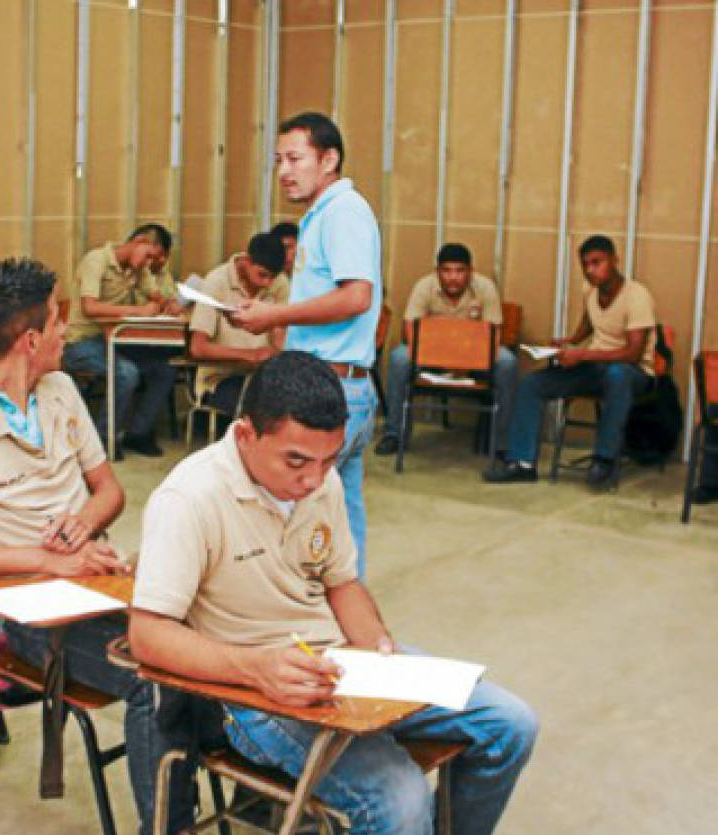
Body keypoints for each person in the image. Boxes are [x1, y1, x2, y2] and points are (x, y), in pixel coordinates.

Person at [129, 351, 537, 835]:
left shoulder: (318, 482)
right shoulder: (190, 498)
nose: (316, 478)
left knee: (511, 724)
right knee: (396, 794)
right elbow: (148, 634)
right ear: (246, 435)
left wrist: (377, 651)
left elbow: (342, 582)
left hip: (337, 663)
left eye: (329, 460)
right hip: (255, 694)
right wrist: (255, 669)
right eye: (297, 461)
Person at [0, 258, 207, 835]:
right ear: (29, 340)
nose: (66, 330)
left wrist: (80, 524)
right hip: (29, 620)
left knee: (217, 639)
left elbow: (108, 492)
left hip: (97, 582)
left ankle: (252, 779)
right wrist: (45, 559)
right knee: (155, 681)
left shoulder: (61, 393)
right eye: (58, 319)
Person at [230, 112, 381, 579]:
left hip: (331, 389)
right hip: (337, 384)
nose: (284, 171)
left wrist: (274, 315)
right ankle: (346, 609)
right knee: (341, 514)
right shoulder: (323, 215)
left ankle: (310, 612)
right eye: (278, 160)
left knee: (298, 508)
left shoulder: (343, 212)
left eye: (295, 158)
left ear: (329, 158)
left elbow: (357, 296)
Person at [485, 235, 656, 489]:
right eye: (585, 265)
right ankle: (521, 463)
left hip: (635, 373)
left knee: (618, 375)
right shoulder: (591, 290)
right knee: (532, 383)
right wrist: (569, 341)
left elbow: (632, 353)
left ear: (614, 261)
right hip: (596, 367)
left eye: (597, 263)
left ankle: (604, 460)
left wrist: (582, 354)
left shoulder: (637, 295)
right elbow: (590, 322)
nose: (590, 270)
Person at [375, 243, 517, 457]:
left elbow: (494, 334)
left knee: (507, 362)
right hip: (431, 355)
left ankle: (501, 443)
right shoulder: (425, 286)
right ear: (437, 272)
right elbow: (411, 330)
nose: (453, 277)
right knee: (398, 358)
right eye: (447, 271)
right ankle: (395, 433)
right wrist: (442, 358)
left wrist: (467, 363)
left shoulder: (485, 287)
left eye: (460, 271)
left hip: (475, 357)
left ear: (470, 272)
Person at [62, 223, 177, 458]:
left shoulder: (139, 269)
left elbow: (156, 296)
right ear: (139, 241)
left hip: (115, 341)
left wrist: (167, 304)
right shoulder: (97, 260)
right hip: (81, 344)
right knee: (126, 372)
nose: (148, 264)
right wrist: (139, 311)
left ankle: (138, 433)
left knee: (164, 370)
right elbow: (90, 307)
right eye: (148, 256)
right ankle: (103, 440)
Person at [187, 232, 288, 417]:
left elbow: (281, 339)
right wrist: (251, 356)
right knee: (263, 409)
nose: (268, 283)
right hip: (220, 380)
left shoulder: (278, 283)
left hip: (264, 376)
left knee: (295, 401)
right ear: (247, 261)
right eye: (262, 275)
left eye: (273, 277)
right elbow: (198, 348)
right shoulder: (216, 282)